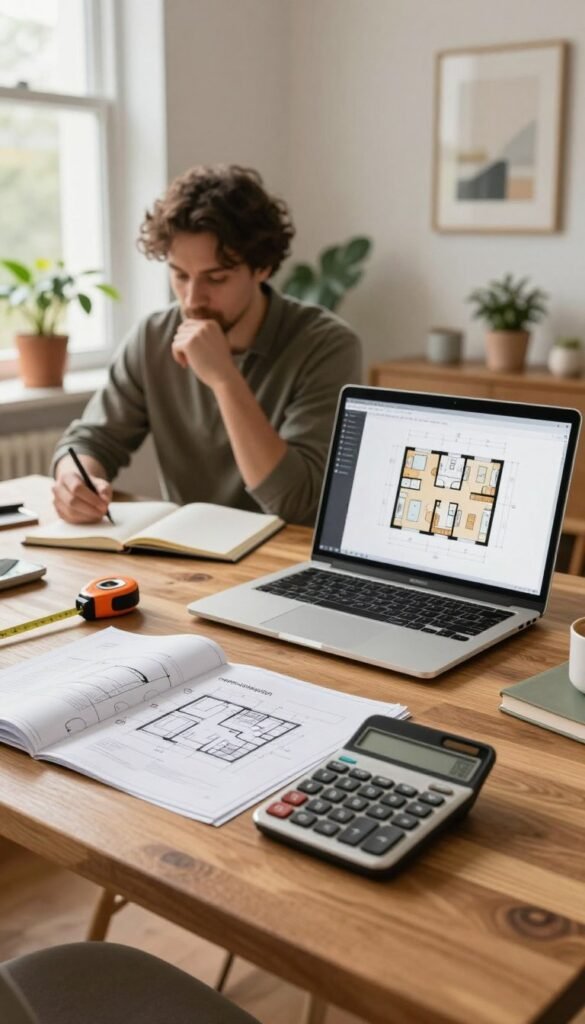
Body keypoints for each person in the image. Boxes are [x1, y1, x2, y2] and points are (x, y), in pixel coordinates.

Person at [52, 165, 362, 526]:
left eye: (216, 278)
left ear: (262, 268)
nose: (192, 299)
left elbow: (297, 502)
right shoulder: (153, 337)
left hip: (284, 551)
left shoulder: (327, 345)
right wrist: (75, 480)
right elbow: (92, 440)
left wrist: (224, 379)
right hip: (188, 548)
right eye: (180, 275)